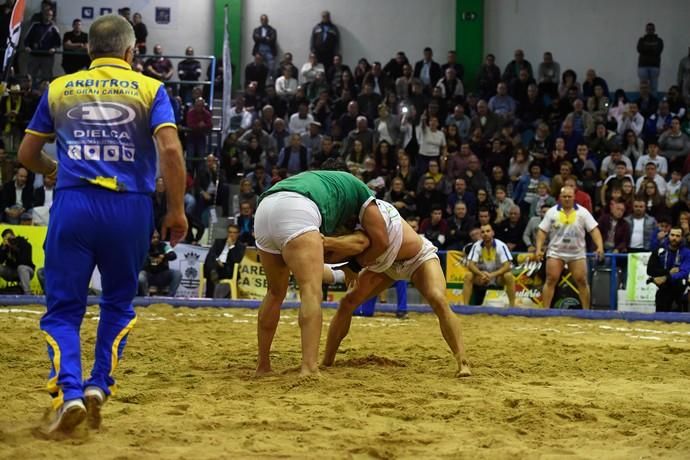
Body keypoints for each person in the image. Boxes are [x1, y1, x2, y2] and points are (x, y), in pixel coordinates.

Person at [18, 14, 187, 436]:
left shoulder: (59, 88)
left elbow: (26, 154)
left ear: (88, 50)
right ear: (132, 51)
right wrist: (176, 210)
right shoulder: (152, 89)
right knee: (117, 303)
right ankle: (99, 386)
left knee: (63, 309)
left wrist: (51, 168)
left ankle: (69, 393)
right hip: (130, 208)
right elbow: (170, 149)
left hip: (74, 205)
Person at [254, 168, 387, 377]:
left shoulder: (321, 183)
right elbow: (382, 240)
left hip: (265, 207)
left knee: (274, 292)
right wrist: (354, 266)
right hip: (298, 209)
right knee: (310, 291)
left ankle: (263, 366)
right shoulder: (362, 192)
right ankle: (309, 367)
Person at [321, 198, 471, 377]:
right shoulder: (350, 221)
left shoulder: (372, 213)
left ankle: (463, 362)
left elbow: (359, 245)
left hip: (418, 258)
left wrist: (328, 243)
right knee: (347, 302)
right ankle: (327, 362)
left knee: (437, 299)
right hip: (386, 266)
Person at [535, 186, 604, 309]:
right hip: (556, 252)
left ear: (574, 197)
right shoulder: (551, 212)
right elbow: (542, 231)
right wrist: (538, 248)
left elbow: (594, 230)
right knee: (550, 280)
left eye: (569, 196)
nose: (567, 199)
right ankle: (545, 310)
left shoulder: (583, 212)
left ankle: (586, 311)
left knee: (582, 281)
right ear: (560, 198)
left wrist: (600, 246)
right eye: (564, 196)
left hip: (577, 253)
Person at [462, 223, 515, 307]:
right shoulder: (476, 246)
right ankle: (465, 306)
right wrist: (481, 274)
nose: (485, 233)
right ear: (480, 234)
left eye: (488, 231)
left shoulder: (501, 245)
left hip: (498, 277)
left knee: (509, 276)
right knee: (468, 275)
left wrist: (492, 275)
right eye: (483, 232)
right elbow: (470, 265)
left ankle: (512, 306)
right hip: (482, 277)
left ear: (493, 233)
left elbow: (507, 265)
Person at [647, 227, 690, 312]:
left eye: (678, 236)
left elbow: (684, 272)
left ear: (681, 238)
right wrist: (668, 272)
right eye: (672, 235)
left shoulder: (687, 252)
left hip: (679, 289)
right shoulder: (659, 251)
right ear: (668, 236)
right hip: (663, 288)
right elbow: (650, 270)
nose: (674, 238)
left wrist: (666, 277)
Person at [204, 224, 246, 298]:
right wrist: (218, 261)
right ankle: (213, 272)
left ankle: (213, 272)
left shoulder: (240, 246)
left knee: (213, 270)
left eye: (234, 232)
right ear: (227, 233)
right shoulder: (218, 242)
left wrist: (231, 247)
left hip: (228, 269)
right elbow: (212, 254)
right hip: (216, 265)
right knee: (211, 259)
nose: (231, 234)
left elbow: (236, 260)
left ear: (238, 234)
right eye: (230, 232)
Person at [137, 230, 181, 297]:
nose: (156, 239)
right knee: (140, 277)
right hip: (148, 275)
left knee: (177, 274)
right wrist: (149, 259)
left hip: (162, 275)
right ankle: (145, 297)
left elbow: (173, 255)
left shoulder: (163, 245)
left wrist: (164, 256)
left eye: (157, 237)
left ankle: (170, 297)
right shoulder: (144, 246)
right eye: (153, 238)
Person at [0, 228, 35, 295]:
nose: (9, 241)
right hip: (12, 271)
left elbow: (24, 261)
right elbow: (0, 261)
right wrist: (3, 248)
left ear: (14, 236)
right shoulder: (5, 247)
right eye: (7, 239)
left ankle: (27, 294)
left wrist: (13, 248)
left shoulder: (24, 244)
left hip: (27, 271)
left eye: (10, 238)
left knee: (21, 268)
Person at [637, 22, 664, 96]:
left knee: (653, 87)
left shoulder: (659, 40)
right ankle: (643, 103)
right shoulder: (641, 40)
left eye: (651, 29)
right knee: (643, 86)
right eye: (648, 29)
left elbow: (658, 51)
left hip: (655, 66)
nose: (650, 30)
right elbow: (639, 49)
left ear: (654, 30)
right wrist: (652, 47)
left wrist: (646, 48)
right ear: (646, 30)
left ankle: (654, 105)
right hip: (643, 66)